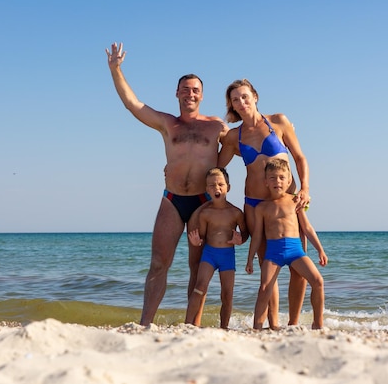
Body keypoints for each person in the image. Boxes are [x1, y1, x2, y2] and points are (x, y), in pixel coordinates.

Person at [105, 42, 228, 326]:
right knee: (159, 264)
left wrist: (279, 129)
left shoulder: (215, 126)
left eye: (195, 90)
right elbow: (133, 104)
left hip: (202, 202)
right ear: (176, 93)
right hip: (172, 200)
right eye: (185, 89)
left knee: (197, 267)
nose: (190, 93)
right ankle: (144, 323)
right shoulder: (167, 123)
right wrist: (115, 70)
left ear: (202, 95)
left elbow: (243, 141)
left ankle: (191, 325)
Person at [217, 78, 311, 328]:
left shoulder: (279, 121)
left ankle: (293, 322)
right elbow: (216, 168)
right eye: (235, 99)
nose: (241, 102)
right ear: (232, 106)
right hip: (255, 204)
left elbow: (300, 158)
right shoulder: (234, 137)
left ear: (255, 96)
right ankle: (273, 324)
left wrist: (305, 188)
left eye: (245, 96)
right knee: (267, 266)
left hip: (289, 202)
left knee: (297, 265)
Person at [246, 158, 327, 330]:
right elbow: (258, 235)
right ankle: (257, 327)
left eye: (282, 178)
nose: (278, 182)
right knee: (264, 288)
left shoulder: (295, 201)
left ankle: (318, 323)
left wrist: (320, 250)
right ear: (265, 181)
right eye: (273, 178)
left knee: (318, 281)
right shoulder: (261, 207)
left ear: (289, 180)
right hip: (273, 253)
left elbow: (307, 228)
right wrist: (250, 258)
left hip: (295, 251)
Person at [184, 167, 249, 329]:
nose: (216, 188)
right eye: (212, 186)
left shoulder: (236, 213)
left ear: (228, 187)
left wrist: (240, 240)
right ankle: (187, 324)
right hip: (209, 254)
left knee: (227, 295)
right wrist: (197, 242)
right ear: (207, 189)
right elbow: (204, 237)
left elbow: (246, 233)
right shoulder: (205, 213)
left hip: (228, 256)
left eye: (220, 184)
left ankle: (224, 327)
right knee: (199, 288)